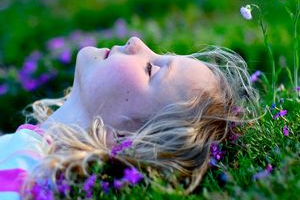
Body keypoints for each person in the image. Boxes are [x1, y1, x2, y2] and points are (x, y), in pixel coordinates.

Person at [0, 37, 258, 199]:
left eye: (151, 69)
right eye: (158, 55)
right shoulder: (26, 152)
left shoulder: (25, 177)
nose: (136, 42)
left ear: (126, 138)